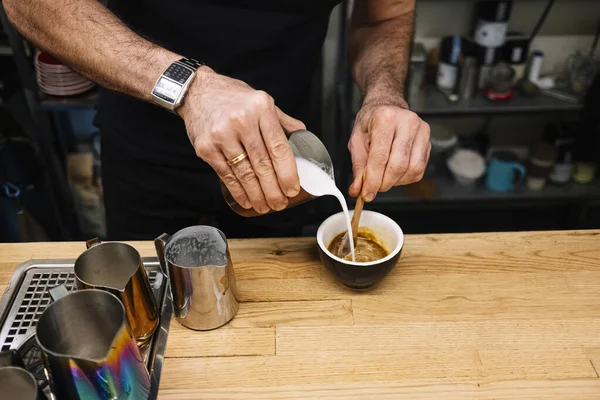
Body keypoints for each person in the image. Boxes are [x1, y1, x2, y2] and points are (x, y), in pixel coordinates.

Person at [4, 0, 430, 240]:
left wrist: (384, 92)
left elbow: (385, 16)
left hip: (288, 153)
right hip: (147, 141)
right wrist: (190, 88)